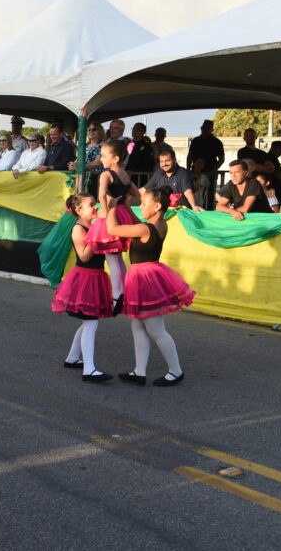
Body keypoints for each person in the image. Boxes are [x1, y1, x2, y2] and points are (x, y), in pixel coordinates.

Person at [105, 186, 194, 386]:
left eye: (144, 203)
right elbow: (141, 224)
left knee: (156, 329)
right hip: (148, 276)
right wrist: (127, 208)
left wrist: (111, 207)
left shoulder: (146, 228)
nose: (141, 206)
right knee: (138, 325)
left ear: (157, 206)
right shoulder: (160, 224)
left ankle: (175, 371)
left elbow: (112, 229)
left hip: (144, 279)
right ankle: (139, 371)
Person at [52, 193, 115, 383]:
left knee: (88, 322)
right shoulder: (79, 229)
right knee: (91, 323)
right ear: (79, 210)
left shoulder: (92, 225)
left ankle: (72, 358)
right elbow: (84, 256)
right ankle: (89, 369)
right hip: (85, 278)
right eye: (91, 205)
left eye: (95, 204)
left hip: (96, 277)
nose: (95, 208)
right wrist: (97, 233)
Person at [85, 140, 139, 314]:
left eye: (104, 155)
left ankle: (117, 294)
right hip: (123, 213)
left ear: (115, 158)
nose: (101, 159)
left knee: (111, 258)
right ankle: (124, 290)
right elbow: (136, 194)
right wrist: (124, 203)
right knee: (119, 257)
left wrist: (107, 210)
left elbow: (101, 195)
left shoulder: (105, 175)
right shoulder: (124, 174)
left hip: (111, 216)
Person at [188, 119, 224, 208]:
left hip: (210, 173)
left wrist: (213, 171)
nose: (205, 130)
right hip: (194, 173)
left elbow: (221, 159)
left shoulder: (217, 142)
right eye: (204, 128)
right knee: (192, 192)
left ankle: (208, 212)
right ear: (201, 128)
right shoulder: (195, 141)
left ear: (212, 129)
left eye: (208, 128)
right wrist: (188, 170)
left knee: (209, 195)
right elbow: (190, 156)